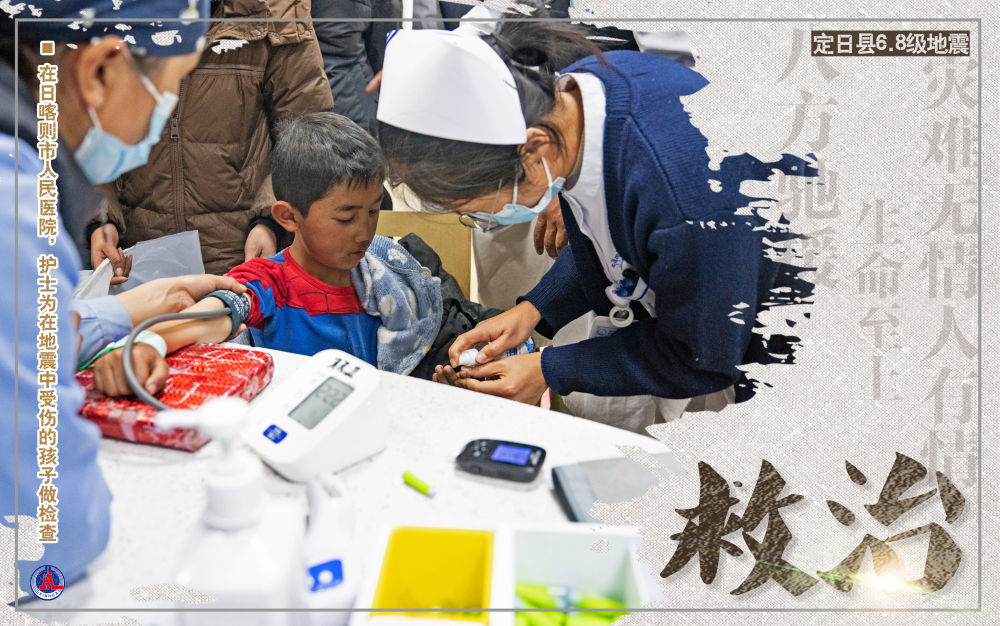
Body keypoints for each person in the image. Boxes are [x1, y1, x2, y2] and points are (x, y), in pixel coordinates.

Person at [374, 6, 815, 426]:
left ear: (533, 148)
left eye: (480, 207)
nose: (487, 216)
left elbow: (703, 355)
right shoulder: (579, 101)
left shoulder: (686, 195)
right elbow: (611, 239)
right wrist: (535, 309)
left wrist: (549, 368)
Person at [0, 0, 212, 596]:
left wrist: (128, 309)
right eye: (169, 88)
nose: (162, 117)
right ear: (98, 70)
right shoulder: (15, 209)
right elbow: (48, 539)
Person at [90, 112, 444, 396]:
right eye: (345, 218)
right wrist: (149, 343)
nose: (364, 232)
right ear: (288, 217)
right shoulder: (268, 282)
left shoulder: (384, 277)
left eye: (373, 212)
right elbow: (216, 311)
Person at [88, 0, 334, 280]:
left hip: (245, 257)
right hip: (136, 260)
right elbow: (87, 127)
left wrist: (270, 222)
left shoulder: (277, 12)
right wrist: (101, 219)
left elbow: (308, 132)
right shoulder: (109, 13)